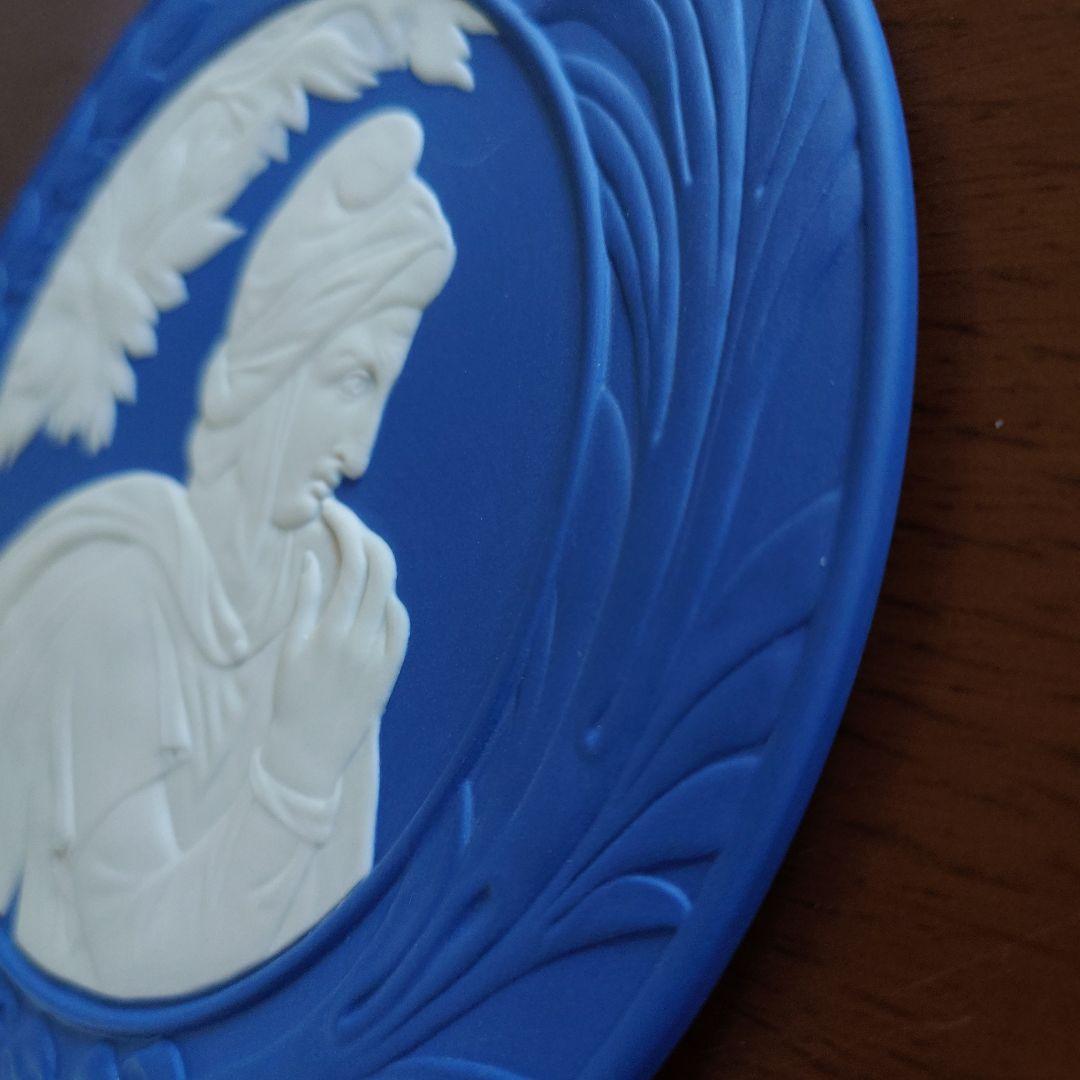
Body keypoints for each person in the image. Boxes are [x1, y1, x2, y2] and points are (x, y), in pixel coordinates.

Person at [0, 110, 455, 999]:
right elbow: (128, 968)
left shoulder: (324, 618)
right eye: (352, 380)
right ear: (265, 368)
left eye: (380, 393)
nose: (359, 451)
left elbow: (335, 963)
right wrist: (299, 767)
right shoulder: (121, 593)